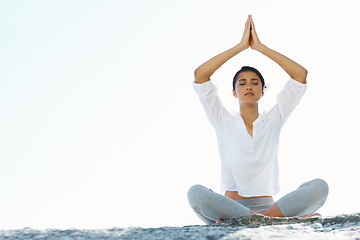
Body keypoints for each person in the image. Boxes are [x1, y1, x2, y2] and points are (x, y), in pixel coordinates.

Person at [187, 15, 329, 224]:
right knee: (195, 193)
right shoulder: (222, 120)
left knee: (320, 187)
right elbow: (200, 76)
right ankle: (273, 221)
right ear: (234, 92)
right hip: (230, 209)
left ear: (262, 91)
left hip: (269, 208)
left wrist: (260, 47)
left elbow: (300, 75)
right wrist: (240, 46)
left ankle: (262, 219)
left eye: (255, 83)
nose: (248, 86)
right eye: (242, 83)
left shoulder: (273, 120)